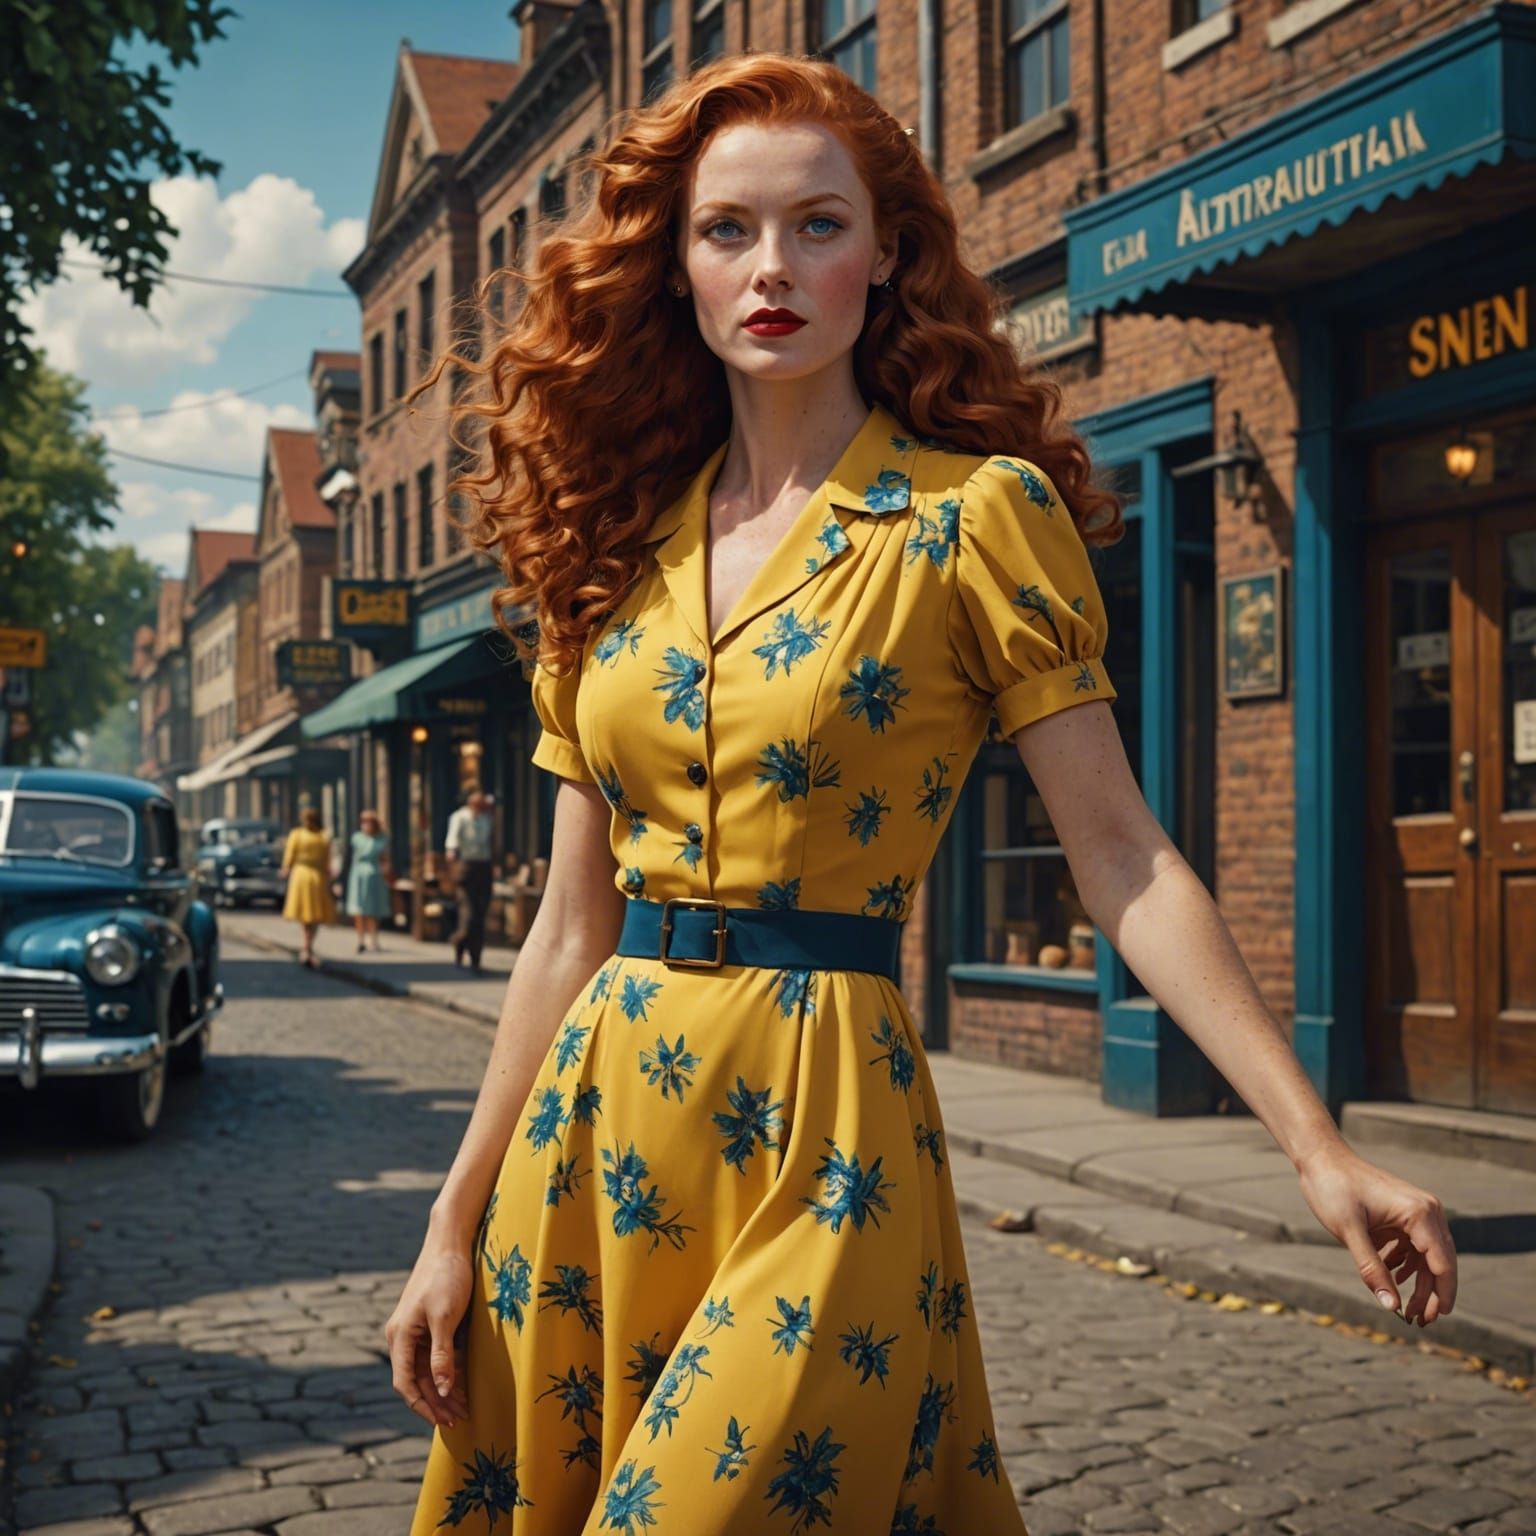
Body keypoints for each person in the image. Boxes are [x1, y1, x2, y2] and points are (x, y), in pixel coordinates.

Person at [388, 54, 1458, 1534]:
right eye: (728, 231)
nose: (774, 268)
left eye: (819, 226)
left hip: (828, 1122)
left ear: (886, 256)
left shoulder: (973, 519)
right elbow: (567, 936)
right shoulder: (611, 549)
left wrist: (1316, 1146)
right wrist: (453, 1220)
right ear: (677, 267)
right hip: (599, 1129)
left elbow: (1124, 858)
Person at [443, 789, 495, 971]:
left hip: (484, 867)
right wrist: (451, 853)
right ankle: (458, 941)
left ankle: (476, 958)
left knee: (480, 915)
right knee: (469, 914)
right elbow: (452, 840)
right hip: (466, 867)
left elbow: (492, 841)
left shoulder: (487, 818)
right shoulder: (460, 817)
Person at [279, 805, 335, 968]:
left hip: (306, 874)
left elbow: (290, 855)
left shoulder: (313, 835)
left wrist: (286, 868)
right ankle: (307, 946)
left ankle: (307, 946)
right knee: (309, 913)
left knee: (312, 913)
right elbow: (326, 859)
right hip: (310, 874)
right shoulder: (317, 836)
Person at [345, 808, 393, 953]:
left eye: (368, 822)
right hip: (358, 875)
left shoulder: (381, 839)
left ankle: (373, 938)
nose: (365, 824)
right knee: (359, 908)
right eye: (363, 821)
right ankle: (360, 939)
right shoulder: (357, 838)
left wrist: (387, 872)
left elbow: (385, 858)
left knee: (373, 908)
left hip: (374, 875)